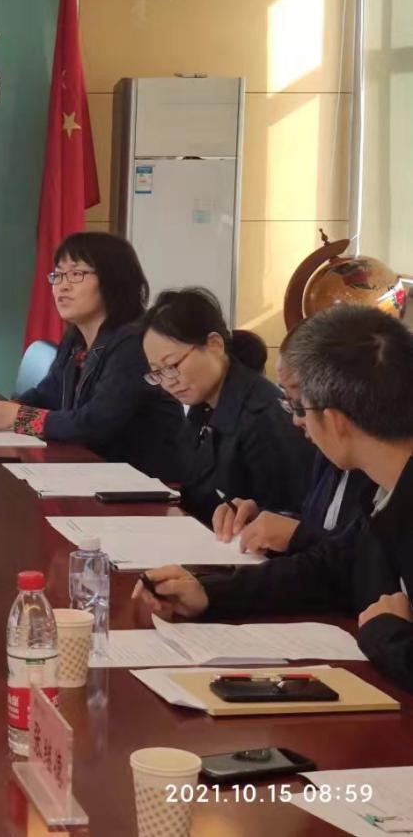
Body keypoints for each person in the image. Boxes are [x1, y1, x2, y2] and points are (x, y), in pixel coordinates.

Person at [134, 305, 413, 692]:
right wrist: (208, 594)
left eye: (300, 408)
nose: (297, 422)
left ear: (335, 421)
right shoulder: (387, 492)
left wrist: (387, 635)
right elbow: (330, 568)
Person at [0, 232, 188, 481]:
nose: (63, 285)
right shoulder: (76, 338)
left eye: (76, 274)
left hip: (147, 484)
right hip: (94, 471)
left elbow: (95, 424)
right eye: (58, 275)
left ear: (114, 279)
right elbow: (47, 394)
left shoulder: (135, 343)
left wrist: (17, 418)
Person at [142, 288, 314, 523]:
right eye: (157, 373)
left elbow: (283, 517)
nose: (168, 382)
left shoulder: (264, 418)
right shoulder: (203, 407)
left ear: (214, 344)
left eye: (172, 365)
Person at [212, 321, 377, 554]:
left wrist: (299, 537)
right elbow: (317, 523)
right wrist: (261, 520)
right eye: (290, 403)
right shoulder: (328, 453)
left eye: (300, 405)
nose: (296, 420)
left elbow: (367, 560)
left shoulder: (382, 465)